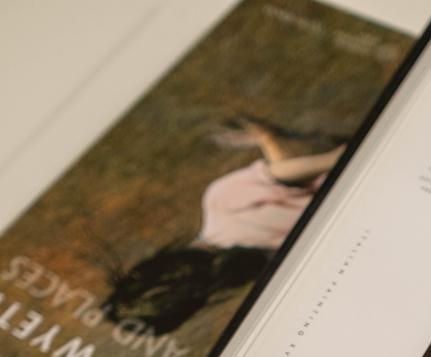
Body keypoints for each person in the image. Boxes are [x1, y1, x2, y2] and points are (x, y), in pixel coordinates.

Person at [104, 118, 345, 334]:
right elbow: (284, 176)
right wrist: (268, 139)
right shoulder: (219, 203)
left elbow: (283, 178)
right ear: (157, 262)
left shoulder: (255, 269)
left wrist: (270, 141)